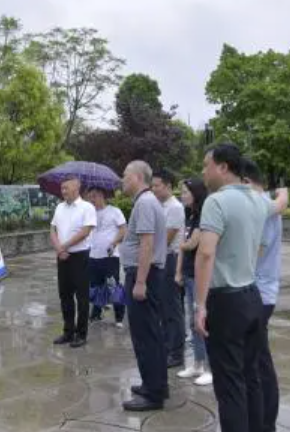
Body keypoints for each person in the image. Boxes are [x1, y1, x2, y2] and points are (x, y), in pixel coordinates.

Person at [194, 144, 287, 432]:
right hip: (252, 297)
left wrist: (200, 305)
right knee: (251, 378)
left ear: (223, 167)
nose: (203, 171)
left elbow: (206, 253)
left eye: (206, 164)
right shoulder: (258, 200)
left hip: (225, 301)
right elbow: (280, 204)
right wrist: (284, 190)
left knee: (230, 384)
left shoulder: (216, 202)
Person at [243, 160, 288, 432]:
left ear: (247, 182)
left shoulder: (261, 208)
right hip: (260, 290)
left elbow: (257, 251)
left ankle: (265, 422)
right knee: (259, 359)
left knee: (258, 363)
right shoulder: (266, 204)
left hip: (260, 292)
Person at [121, 160, 169, 411]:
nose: (122, 180)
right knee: (150, 334)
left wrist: (140, 282)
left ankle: (153, 394)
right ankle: (156, 384)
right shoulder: (147, 202)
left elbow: (146, 244)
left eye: (125, 175)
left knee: (146, 336)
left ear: (138, 177)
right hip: (146, 275)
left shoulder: (145, 203)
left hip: (144, 277)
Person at [50, 176, 97, 348]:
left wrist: (64, 246)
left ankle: (81, 333)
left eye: (66, 188)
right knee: (65, 296)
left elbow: (85, 232)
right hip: (62, 257)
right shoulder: (59, 207)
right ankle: (68, 332)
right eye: (62, 188)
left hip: (80, 256)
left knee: (82, 297)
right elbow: (53, 229)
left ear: (76, 188)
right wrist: (59, 249)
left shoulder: (87, 208)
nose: (63, 191)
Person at [176, 178, 213, 386]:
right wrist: (179, 271)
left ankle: (209, 366)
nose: (182, 195)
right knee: (192, 321)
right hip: (189, 273)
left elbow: (192, 243)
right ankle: (197, 363)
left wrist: (183, 244)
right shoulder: (188, 215)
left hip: (201, 275)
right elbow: (185, 245)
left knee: (202, 321)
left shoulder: (202, 215)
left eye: (185, 192)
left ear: (196, 193)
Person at [152, 170, 186, 369]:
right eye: (153, 185)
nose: (154, 189)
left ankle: (176, 352)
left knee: (172, 309)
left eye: (157, 185)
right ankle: (166, 346)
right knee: (163, 308)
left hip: (170, 259)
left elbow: (167, 238)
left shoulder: (174, 207)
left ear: (167, 185)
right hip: (160, 259)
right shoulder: (159, 205)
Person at [87, 187, 127, 326]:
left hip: (110, 256)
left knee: (114, 286)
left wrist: (114, 243)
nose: (92, 199)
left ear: (103, 196)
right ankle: (96, 314)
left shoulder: (114, 211)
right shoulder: (89, 213)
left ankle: (119, 317)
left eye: (95, 196)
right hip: (93, 255)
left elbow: (123, 229)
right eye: (90, 196)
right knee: (95, 286)